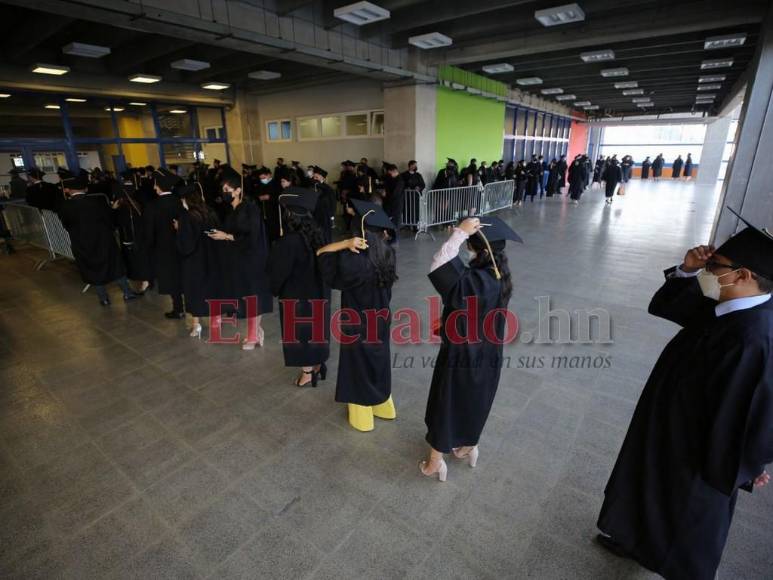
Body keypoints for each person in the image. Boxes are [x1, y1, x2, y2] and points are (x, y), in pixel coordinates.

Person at [597, 207, 773, 580]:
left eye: (716, 265)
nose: (710, 271)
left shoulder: (754, 337)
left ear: (743, 275)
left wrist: (749, 465)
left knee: (686, 521)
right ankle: (632, 539)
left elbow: (754, 410)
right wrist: (689, 269)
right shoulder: (731, 302)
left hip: (697, 450)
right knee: (643, 485)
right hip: (664, 420)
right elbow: (668, 307)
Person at [420, 216, 521, 481]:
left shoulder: (476, 280)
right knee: (474, 401)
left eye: (472, 246)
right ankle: (469, 447)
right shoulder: (500, 276)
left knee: (448, 402)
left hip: (462, 355)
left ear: (483, 251)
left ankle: (435, 463)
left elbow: (439, 264)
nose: (468, 249)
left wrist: (459, 233)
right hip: (488, 353)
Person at [317, 199, 398, 432]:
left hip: (357, 320)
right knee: (378, 359)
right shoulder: (388, 253)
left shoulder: (353, 261)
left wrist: (344, 244)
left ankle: (362, 413)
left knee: (357, 364)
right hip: (381, 316)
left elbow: (321, 254)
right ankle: (384, 404)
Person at [268, 188, 330, 387]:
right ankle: (319, 364)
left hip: (297, 297)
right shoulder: (318, 235)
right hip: (319, 293)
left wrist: (274, 288)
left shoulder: (289, 242)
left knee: (301, 333)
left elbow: (277, 274)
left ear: (290, 215)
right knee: (317, 330)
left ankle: (307, 372)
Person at [208, 166, 273, 350]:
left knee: (253, 296)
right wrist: (220, 234)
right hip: (237, 261)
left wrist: (227, 236)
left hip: (252, 260)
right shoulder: (231, 211)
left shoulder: (250, 209)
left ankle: (253, 335)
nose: (224, 193)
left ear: (238, 190)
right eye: (223, 190)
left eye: (228, 190)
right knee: (245, 298)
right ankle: (256, 331)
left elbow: (252, 236)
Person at [58, 174, 137, 306]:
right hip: (104, 241)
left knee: (93, 270)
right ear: (86, 189)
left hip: (81, 243)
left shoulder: (64, 206)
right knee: (116, 267)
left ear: (69, 190)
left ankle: (103, 298)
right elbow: (110, 220)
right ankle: (127, 292)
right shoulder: (97, 202)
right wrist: (114, 211)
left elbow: (66, 225)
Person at [175, 183, 221, 339]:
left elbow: (186, 245)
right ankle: (216, 319)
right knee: (212, 289)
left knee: (194, 293)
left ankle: (196, 324)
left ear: (187, 200)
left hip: (194, 262)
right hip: (212, 259)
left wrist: (178, 229)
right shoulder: (210, 212)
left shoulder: (187, 217)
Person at [144, 168, 184, 318]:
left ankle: (178, 308)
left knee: (172, 279)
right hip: (183, 246)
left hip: (163, 249)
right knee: (184, 276)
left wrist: (150, 247)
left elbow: (149, 232)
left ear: (159, 186)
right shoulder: (179, 202)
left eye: (155, 184)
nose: (154, 187)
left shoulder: (152, 206)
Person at [113, 173, 151, 293]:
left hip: (131, 239)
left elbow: (117, 223)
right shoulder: (137, 203)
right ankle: (147, 281)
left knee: (137, 262)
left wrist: (113, 210)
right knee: (143, 260)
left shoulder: (123, 208)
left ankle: (145, 282)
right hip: (142, 237)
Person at [255, 166, 281, 243]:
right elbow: (255, 196)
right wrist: (259, 198)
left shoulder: (276, 184)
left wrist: (270, 197)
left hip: (274, 213)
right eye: (261, 179)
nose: (262, 180)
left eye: (264, 178)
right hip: (263, 213)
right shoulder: (260, 185)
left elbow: (280, 197)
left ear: (269, 175)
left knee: (275, 232)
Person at [311, 166, 336, 243]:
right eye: (314, 177)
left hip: (325, 216)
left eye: (317, 177)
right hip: (313, 214)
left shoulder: (328, 190)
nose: (314, 179)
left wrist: (332, 217)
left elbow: (333, 205)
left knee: (325, 235)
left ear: (323, 178)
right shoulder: (311, 187)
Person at [382, 163, 405, 242]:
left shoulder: (400, 181)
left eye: (390, 173)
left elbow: (395, 194)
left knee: (395, 221)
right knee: (388, 220)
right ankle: (389, 235)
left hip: (396, 204)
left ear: (394, 171)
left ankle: (394, 238)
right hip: (389, 203)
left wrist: (386, 194)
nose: (389, 174)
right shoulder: (391, 179)